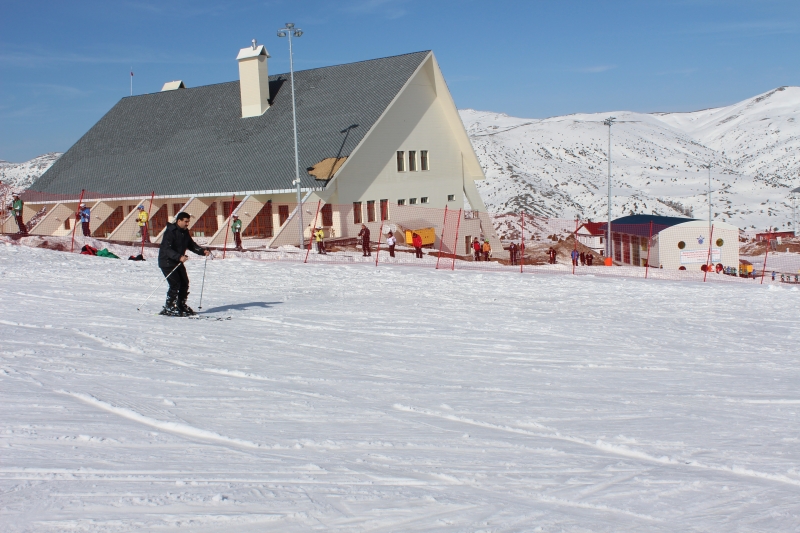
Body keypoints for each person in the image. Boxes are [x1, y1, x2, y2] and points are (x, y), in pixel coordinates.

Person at [158, 212, 210, 317]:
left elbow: (191, 245)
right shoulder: (170, 232)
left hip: (177, 261)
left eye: (188, 222)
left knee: (184, 283)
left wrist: (202, 251)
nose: (187, 224)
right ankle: (169, 307)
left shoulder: (184, 232)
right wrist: (179, 256)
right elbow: (166, 249)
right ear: (179, 221)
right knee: (175, 284)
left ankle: (181, 304)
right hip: (167, 262)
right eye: (185, 221)